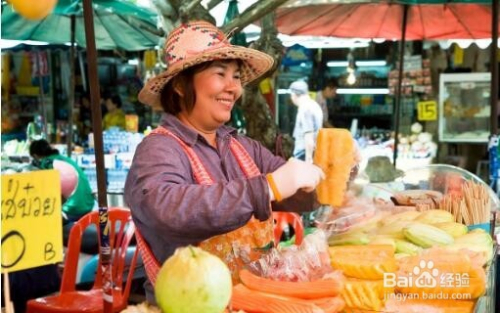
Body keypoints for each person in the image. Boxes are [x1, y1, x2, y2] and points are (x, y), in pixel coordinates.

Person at [124, 20, 325, 304]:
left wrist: (324, 178)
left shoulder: (242, 147)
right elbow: (166, 207)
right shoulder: (159, 149)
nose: (234, 88)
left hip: (254, 302)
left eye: (236, 77)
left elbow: (298, 197)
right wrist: (266, 187)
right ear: (181, 85)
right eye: (220, 74)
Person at [29, 139, 95, 224]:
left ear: (35, 156)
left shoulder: (47, 163)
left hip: (73, 209)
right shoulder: (64, 159)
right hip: (88, 206)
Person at [290, 80, 323, 163]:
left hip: (303, 154)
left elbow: (309, 135)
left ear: (294, 94)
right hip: (312, 152)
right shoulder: (315, 105)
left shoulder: (305, 109)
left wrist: (308, 160)